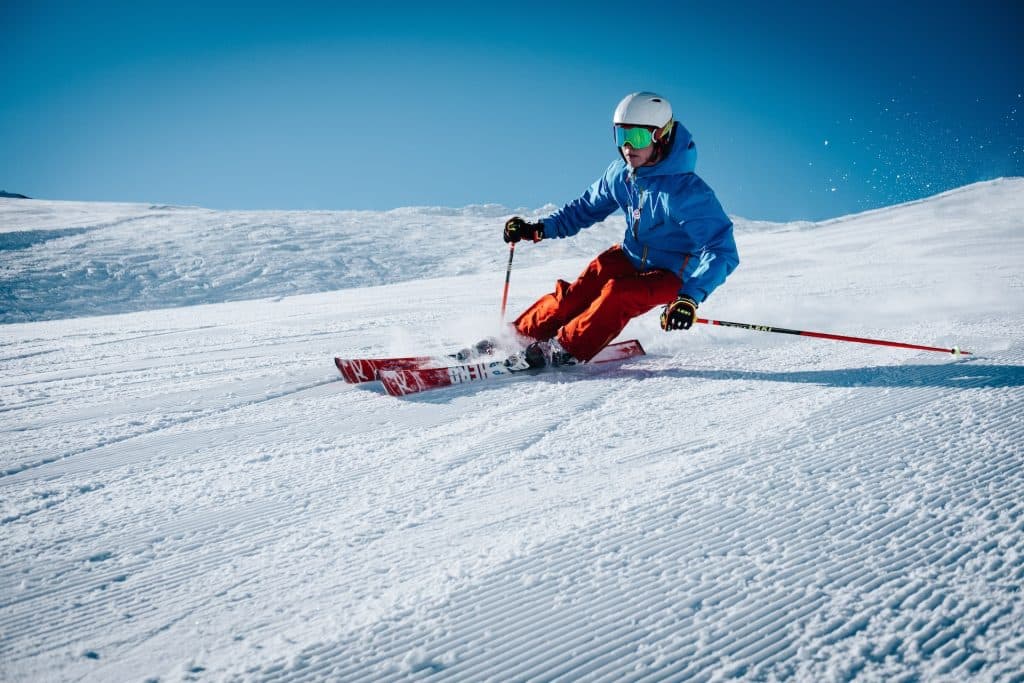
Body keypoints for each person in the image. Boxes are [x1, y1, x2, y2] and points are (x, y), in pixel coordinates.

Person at [502, 91, 739, 368]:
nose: (627, 146)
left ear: (660, 136)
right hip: (629, 255)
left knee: (619, 293)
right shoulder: (620, 174)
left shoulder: (687, 193)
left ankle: (564, 349)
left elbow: (721, 250)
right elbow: (583, 209)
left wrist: (690, 297)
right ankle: (517, 336)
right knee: (577, 294)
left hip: (673, 274)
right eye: (620, 136)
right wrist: (537, 228)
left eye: (637, 137)